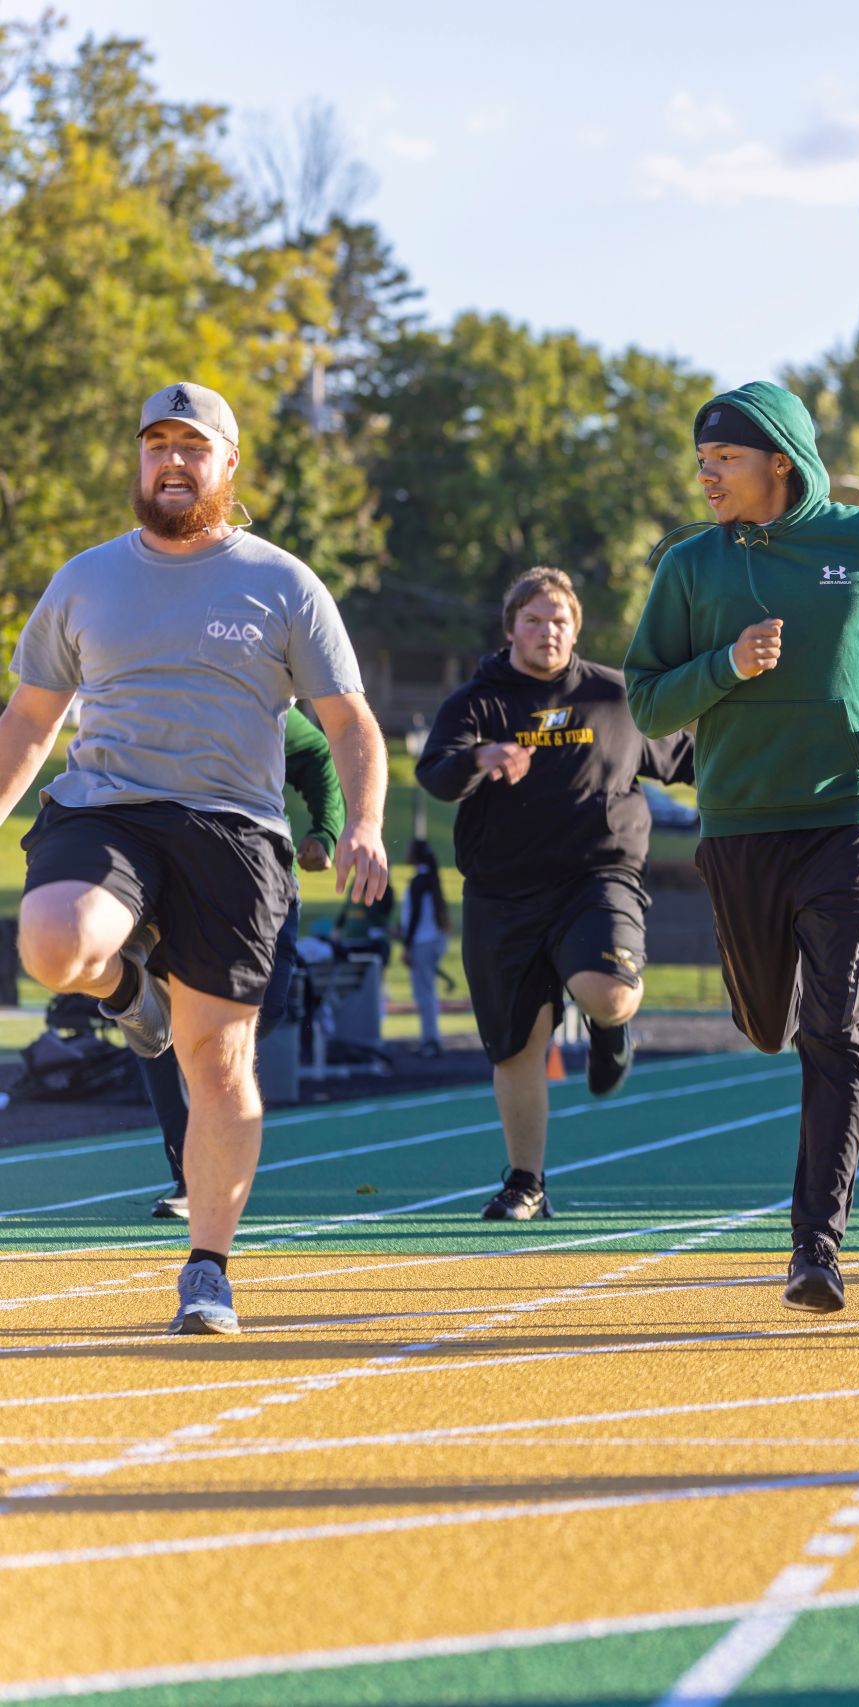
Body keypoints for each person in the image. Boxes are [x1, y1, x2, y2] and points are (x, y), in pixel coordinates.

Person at [0, 383, 388, 1334]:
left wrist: (366, 825)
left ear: (228, 463)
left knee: (218, 1065)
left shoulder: (285, 582)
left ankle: (208, 1267)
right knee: (52, 941)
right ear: (139, 461)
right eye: (156, 445)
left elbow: (352, 726)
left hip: (234, 833)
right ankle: (134, 1002)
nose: (171, 462)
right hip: (107, 810)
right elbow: (30, 722)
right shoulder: (86, 578)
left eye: (192, 446)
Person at [626, 382, 859, 1314]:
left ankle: (817, 1247)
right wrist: (725, 666)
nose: (705, 476)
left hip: (850, 820)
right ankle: (762, 1015)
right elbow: (649, 701)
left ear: (780, 459)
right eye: (699, 460)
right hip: (739, 829)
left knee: (834, 1032)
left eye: (721, 460)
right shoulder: (690, 566)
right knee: (768, 1023)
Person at [420, 566, 694, 1221]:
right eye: (535, 620)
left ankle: (612, 1027)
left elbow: (694, 759)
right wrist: (480, 758)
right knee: (517, 1048)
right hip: (503, 892)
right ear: (511, 625)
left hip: (597, 878)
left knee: (611, 992)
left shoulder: (617, 697)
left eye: (560, 620)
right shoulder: (476, 702)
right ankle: (526, 1182)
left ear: (577, 628)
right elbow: (435, 773)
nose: (548, 631)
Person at [140, 705, 343, 1219]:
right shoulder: (144, 691)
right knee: (162, 1030)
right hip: (172, 882)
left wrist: (326, 829)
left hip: (261, 879)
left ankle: (203, 1065)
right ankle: (192, 1177)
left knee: (261, 1013)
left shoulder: (257, 694)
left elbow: (318, 752)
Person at [400, 838, 451, 1059]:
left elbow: (416, 915)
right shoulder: (429, 878)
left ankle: (431, 1040)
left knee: (424, 993)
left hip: (422, 941)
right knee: (427, 991)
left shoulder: (419, 881)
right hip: (431, 939)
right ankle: (430, 1038)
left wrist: (407, 944)